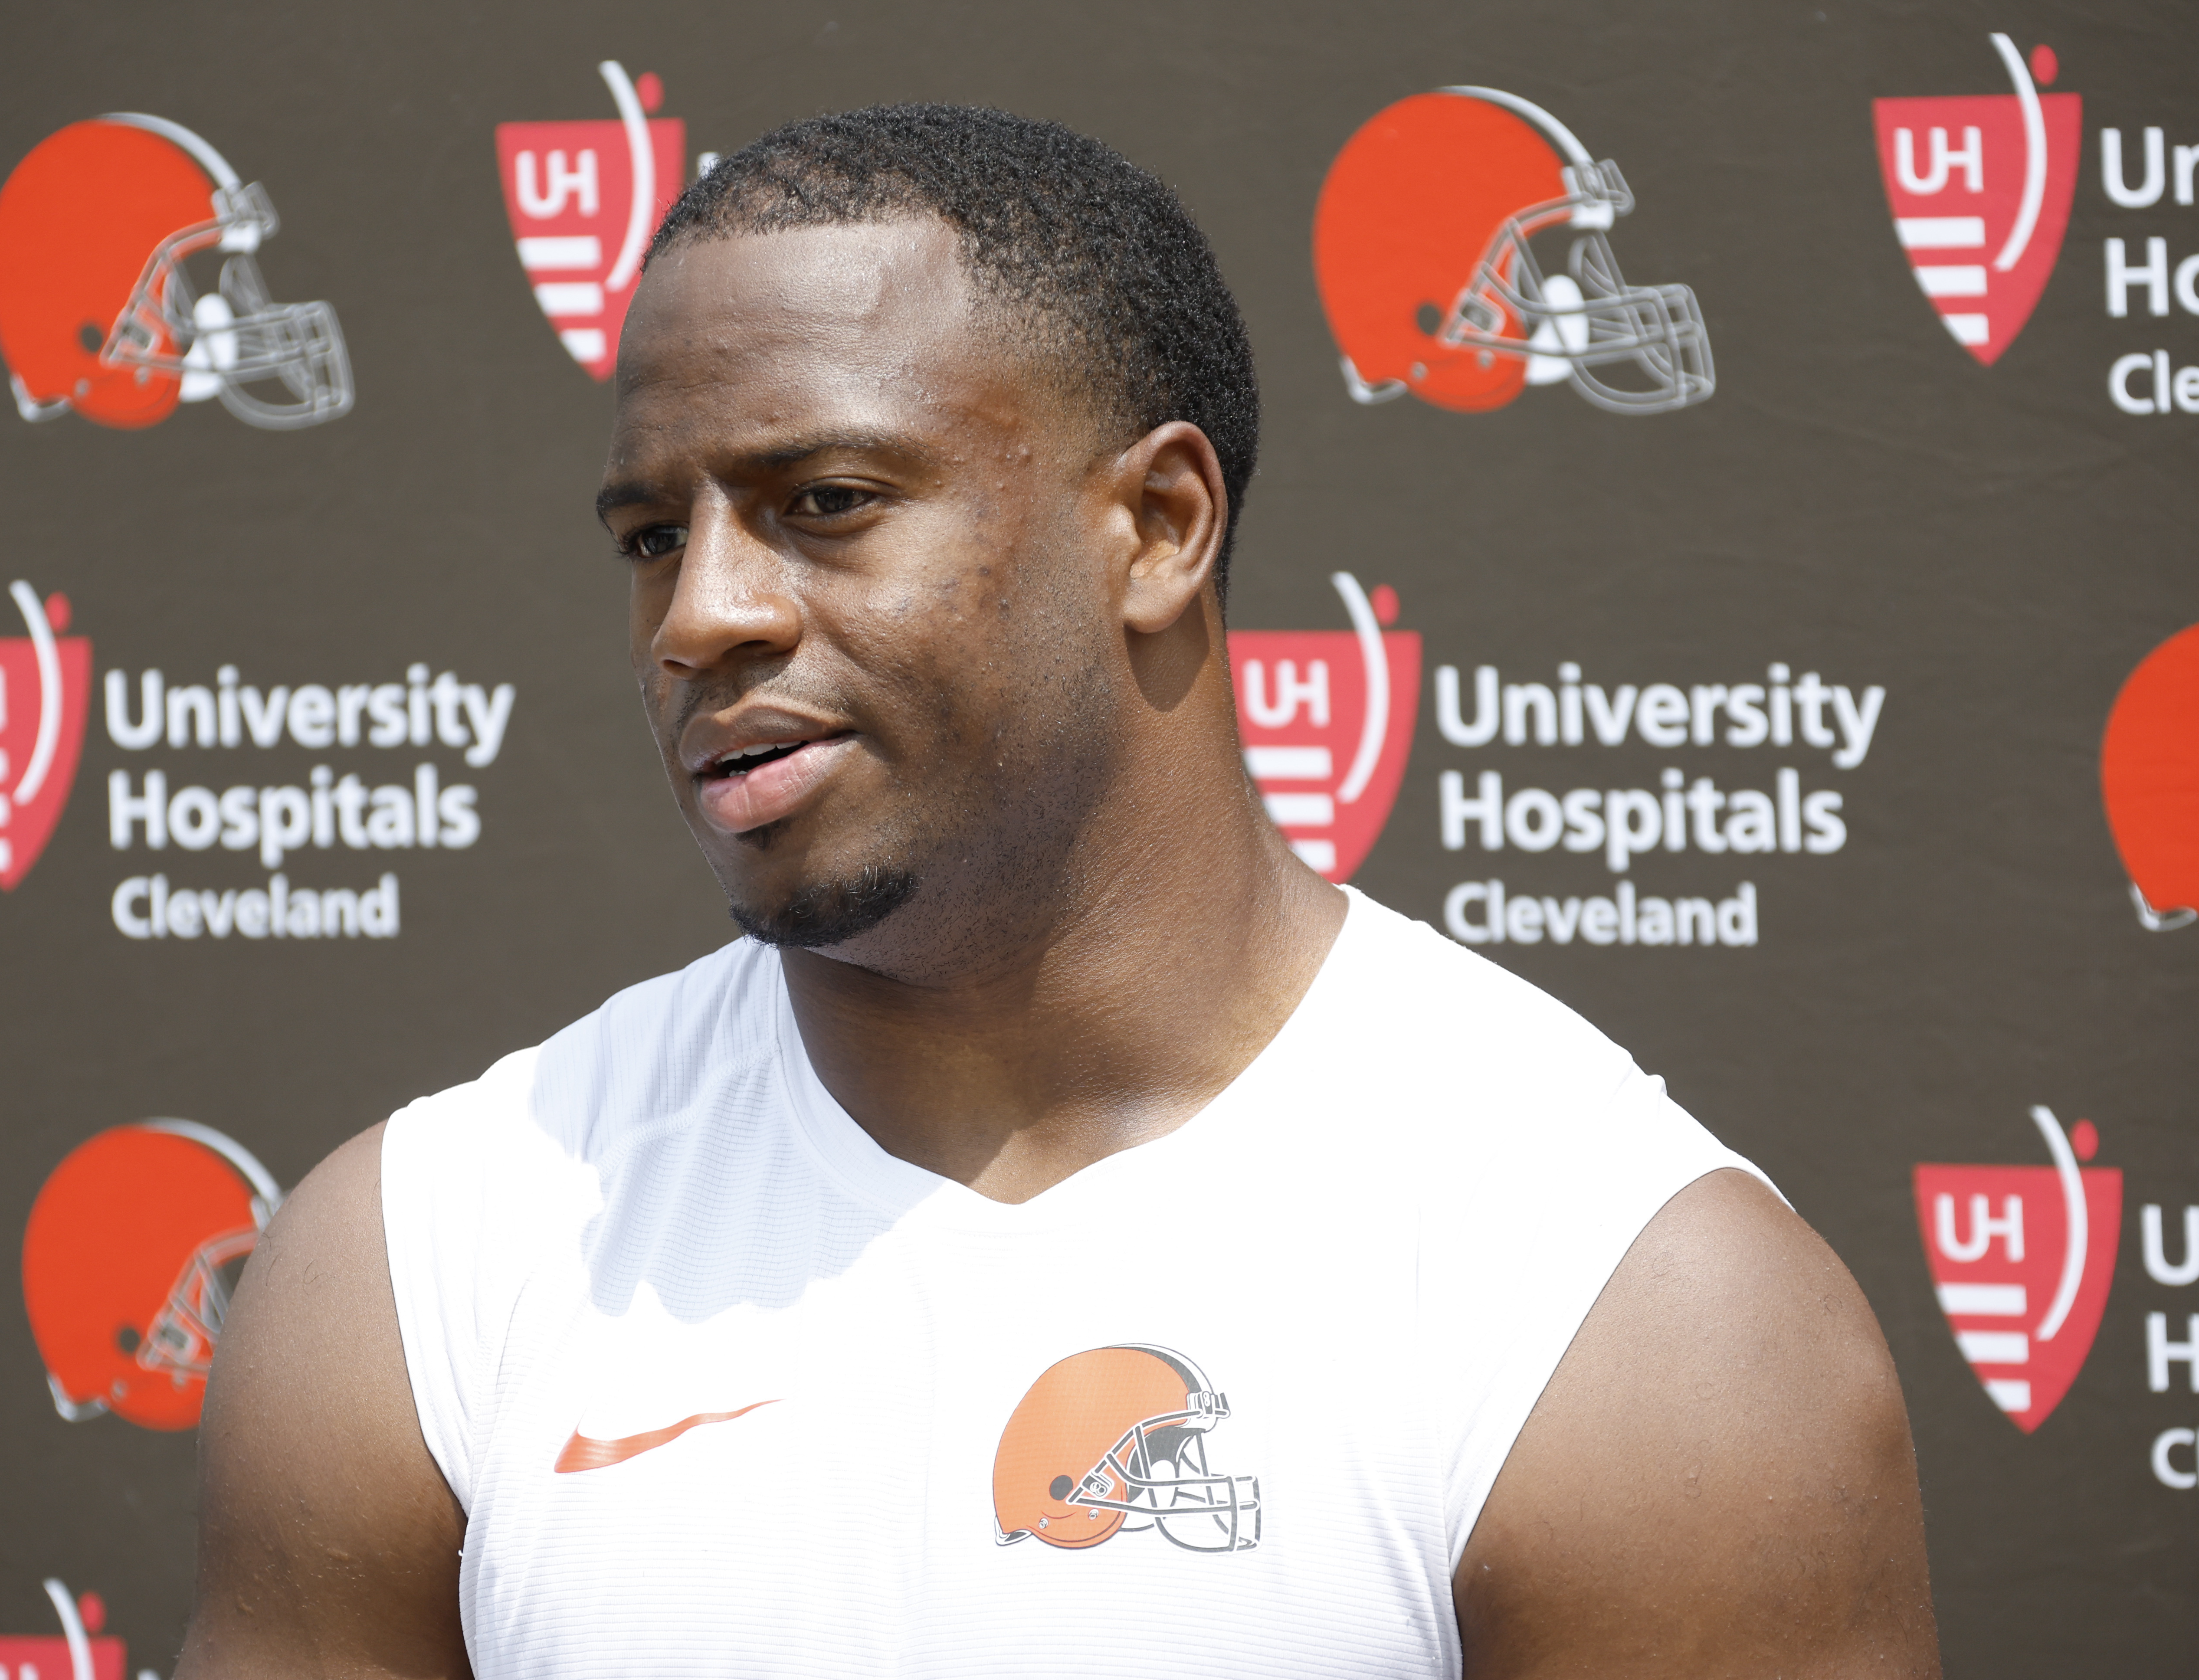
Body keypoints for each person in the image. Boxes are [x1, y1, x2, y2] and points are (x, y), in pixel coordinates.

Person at [174, 106, 1940, 1679]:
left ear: (1160, 528)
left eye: (830, 499)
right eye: (653, 537)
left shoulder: (1623, 1309)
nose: (701, 616)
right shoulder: (415, 1265)